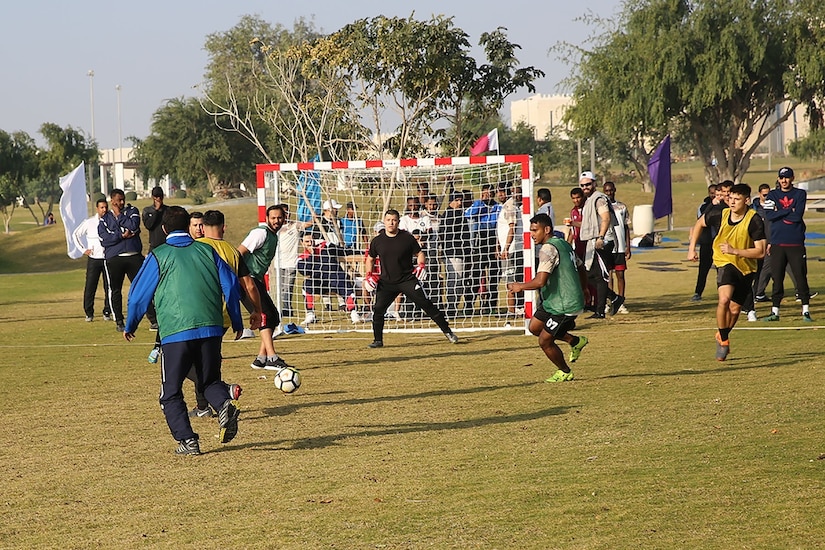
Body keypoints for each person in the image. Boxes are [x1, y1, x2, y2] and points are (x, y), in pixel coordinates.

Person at [123, 206, 244, 455]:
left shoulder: (158, 255)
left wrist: (131, 324)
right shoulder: (207, 250)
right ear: (189, 225)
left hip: (176, 331)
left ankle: (187, 440)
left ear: (164, 229)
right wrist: (236, 320)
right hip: (211, 327)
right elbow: (231, 286)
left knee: (170, 392)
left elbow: (137, 297)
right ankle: (223, 404)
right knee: (209, 381)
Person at [687, 183, 766, 361]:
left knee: (736, 309)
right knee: (724, 299)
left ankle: (722, 334)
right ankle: (723, 340)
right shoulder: (719, 214)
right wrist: (692, 249)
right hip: (724, 262)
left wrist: (735, 251)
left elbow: (760, 251)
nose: (732, 202)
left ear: (746, 201)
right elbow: (699, 223)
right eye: (730, 198)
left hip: (746, 267)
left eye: (737, 199)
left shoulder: (754, 220)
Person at [507, 213, 589, 382]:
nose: (532, 234)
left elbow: (540, 281)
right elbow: (580, 267)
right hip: (553, 300)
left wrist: (519, 286)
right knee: (535, 328)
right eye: (531, 230)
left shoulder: (548, 248)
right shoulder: (564, 244)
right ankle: (575, 341)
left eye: (535, 230)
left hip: (564, 304)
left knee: (544, 341)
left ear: (547, 229)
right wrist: (584, 288)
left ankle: (565, 371)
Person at [364, 209, 459, 348]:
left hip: (407, 280)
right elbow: (370, 259)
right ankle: (378, 340)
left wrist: (421, 265)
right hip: (387, 282)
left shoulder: (406, 238)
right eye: (388, 220)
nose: (391, 223)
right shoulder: (377, 241)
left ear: (398, 222)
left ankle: (448, 331)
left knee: (426, 304)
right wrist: (369, 275)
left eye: (394, 220)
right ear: (384, 221)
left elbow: (419, 253)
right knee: (378, 309)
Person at [237, 205, 294, 370]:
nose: (277, 221)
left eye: (280, 218)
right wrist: (243, 278)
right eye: (274, 218)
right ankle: (272, 357)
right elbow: (239, 252)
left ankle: (261, 358)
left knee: (273, 317)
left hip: (257, 281)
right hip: (248, 280)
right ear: (267, 218)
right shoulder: (260, 233)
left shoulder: (273, 236)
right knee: (264, 316)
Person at [762, 166, 813, 322]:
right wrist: (788, 210)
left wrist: (781, 211)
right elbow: (769, 215)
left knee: (800, 277)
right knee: (777, 278)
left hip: (795, 242)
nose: (784, 180)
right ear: (778, 179)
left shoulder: (800, 194)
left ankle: (805, 310)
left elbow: (797, 216)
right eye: (781, 178)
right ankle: (775, 311)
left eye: (787, 177)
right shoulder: (772, 194)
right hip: (778, 243)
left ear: (792, 178)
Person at [99, 188, 146, 332]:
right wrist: (121, 236)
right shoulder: (105, 219)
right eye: (118, 200)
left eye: (123, 199)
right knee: (115, 290)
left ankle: (153, 318)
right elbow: (104, 239)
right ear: (112, 200)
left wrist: (120, 215)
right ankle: (119, 320)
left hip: (134, 256)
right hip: (115, 258)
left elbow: (133, 226)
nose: (121, 202)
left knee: (142, 287)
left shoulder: (132, 211)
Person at [578, 172, 623, 319]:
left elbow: (606, 218)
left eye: (588, 184)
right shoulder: (589, 200)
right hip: (593, 241)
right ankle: (614, 298)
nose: (585, 187)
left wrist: (601, 237)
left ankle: (600, 311)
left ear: (594, 183)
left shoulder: (598, 199)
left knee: (600, 277)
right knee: (590, 274)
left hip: (601, 241)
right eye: (583, 185)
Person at [297, 233, 360, 325]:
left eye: (312, 240)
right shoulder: (302, 258)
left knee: (344, 283)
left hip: (336, 279)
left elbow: (343, 251)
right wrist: (312, 255)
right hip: (320, 284)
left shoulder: (326, 246)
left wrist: (362, 252)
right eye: (307, 241)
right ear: (302, 243)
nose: (310, 243)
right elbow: (304, 271)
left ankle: (354, 312)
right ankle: (310, 314)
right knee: (306, 285)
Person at [71, 198, 112, 322]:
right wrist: (83, 250)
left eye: (106, 207)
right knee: (90, 286)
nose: (104, 210)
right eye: (102, 208)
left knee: (109, 286)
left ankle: (107, 311)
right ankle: (89, 313)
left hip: (107, 258)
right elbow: (76, 234)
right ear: (97, 208)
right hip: (94, 259)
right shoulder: (89, 222)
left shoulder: (111, 221)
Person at [464, 184, 500, 314]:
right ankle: (469, 304)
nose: (487, 196)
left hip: (493, 240)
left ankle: (490, 305)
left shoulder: (498, 207)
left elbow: (499, 223)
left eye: (489, 194)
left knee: (494, 276)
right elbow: (467, 214)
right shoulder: (478, 205)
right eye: (484, 194)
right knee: (475, 275)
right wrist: (480, 203)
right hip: (480, 240)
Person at [439, 191, 473, 317]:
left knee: (459, 282)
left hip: (461, 253)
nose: (460, 203)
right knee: (454, 281)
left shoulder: (459, 214)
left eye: (461, 200)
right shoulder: (449, 215)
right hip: (453, 253)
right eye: (457, 200)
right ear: (451, 201)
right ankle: (451, 307)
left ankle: (453, 306)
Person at [602, 182, 631, 314]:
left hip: (620, 247)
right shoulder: (601, 208)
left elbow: (626, 227)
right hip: (608, 246)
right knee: (608, 275)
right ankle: (610, 301)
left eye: (610, 190)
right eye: (606, 191)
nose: (609, 193)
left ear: (614, 190)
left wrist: (628, 247)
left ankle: (621, 302)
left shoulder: (622, 207)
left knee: (620, 275)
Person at [497, 185, 524, 315]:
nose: (499, 195)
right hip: (509, 248)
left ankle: (514, 310)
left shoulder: (510, 206)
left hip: (513, 250)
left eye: (501, 192)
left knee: (511, 281)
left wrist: (506, 248)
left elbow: (512, 228)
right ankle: (514, 309)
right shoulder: (506, 206)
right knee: (511, 280)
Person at [691, 184, 717, 301]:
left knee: (721, 270)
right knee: (703, 269)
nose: (713, 195)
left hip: (718, 243)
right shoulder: (704, 206)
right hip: (706, 242)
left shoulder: (723, 205)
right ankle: (698, 293)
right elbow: (701, 218)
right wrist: (712, 205)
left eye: (715, 193)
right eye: (711, 193)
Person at [276, 204, 302, 319]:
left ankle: (287, 308)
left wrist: (316, 217)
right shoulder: (276, 228)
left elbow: (306, 224)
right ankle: (281, 308)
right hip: (278, 263)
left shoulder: (294, 226)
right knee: (280, 287)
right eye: (284, 212)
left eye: (288, 212)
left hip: (291, 262)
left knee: (288, 286)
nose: (287, 214)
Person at [142, 186, 169, 251]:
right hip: (154, 245)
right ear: (153, 197)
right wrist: (156, 211)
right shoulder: (147, 210)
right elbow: (149, 225)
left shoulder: (168, 210)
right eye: (156, 197)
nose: (159, 199)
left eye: (160, 197)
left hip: (167, 244)